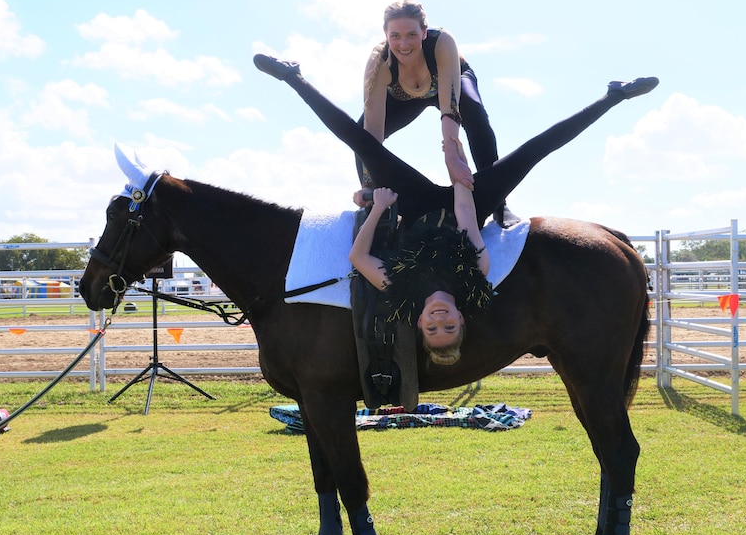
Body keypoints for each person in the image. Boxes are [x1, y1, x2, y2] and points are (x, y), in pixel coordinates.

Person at [253, 53, 658, 365]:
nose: (440, 319)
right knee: (535, 150)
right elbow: (467, 222)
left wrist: (376, 206)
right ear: (462, 321)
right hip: (467, 205)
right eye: (449, 326)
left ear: (420, 324)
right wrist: (458, 166)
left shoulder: (399, 289)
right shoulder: (475, 279)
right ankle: (614, 95)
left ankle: (293, 76)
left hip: (413, 207)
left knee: (361, 142)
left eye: (433, 328)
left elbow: (358, 257)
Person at [356, 0, 521, 229]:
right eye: (395, 36)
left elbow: (450, 108)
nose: (403, 44)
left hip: (450, 83)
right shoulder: (379, 61)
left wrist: (452, 157)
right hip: (405, 96)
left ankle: (499, 203)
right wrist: (369, 185)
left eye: (411, 34)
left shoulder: (442, 42)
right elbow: (371, 134)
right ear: (386, 34)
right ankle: (377, 204)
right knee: (359, 132)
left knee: (474, 112)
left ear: (424, 32)